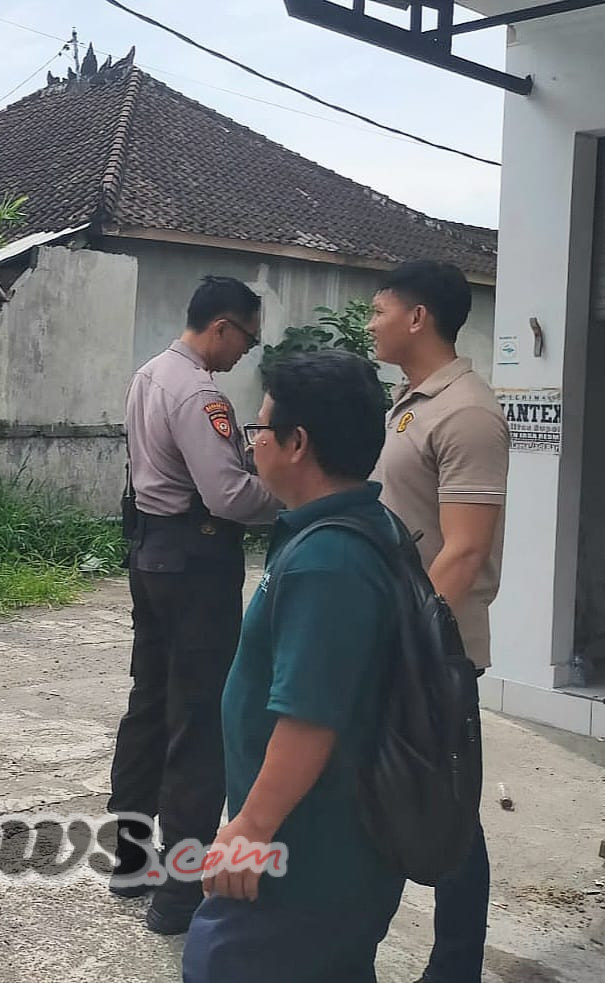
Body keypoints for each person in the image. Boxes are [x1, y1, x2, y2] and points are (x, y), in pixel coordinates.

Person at [183, 350, 403, 983]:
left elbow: (311, 714)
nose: (251, 441)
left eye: (259, 427)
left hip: (306, 852)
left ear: (297, 442)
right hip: (326, 842)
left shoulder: (328, 561)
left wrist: (251, 827)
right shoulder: (356, 527)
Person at [109, 275, 279, 935]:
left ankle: (128, 859)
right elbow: (227, 494)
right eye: (245, 338)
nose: (244, 352)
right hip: (195, 565)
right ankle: (178, 894)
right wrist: (288, 502)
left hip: (149, 554)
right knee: (198, 720)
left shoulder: (148, 374)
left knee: (148, 704)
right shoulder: (198, 392)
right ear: (220, 327)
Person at [368, 260, 508, 983]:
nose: (370, 321)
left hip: (432, 647)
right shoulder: (412, 400)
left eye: (379, 308)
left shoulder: (468, 413)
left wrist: (401, 638)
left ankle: (454, 966)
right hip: (397, 635)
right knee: (398, 794)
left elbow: (464, 550)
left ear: (417, 317)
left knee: (444, 805)